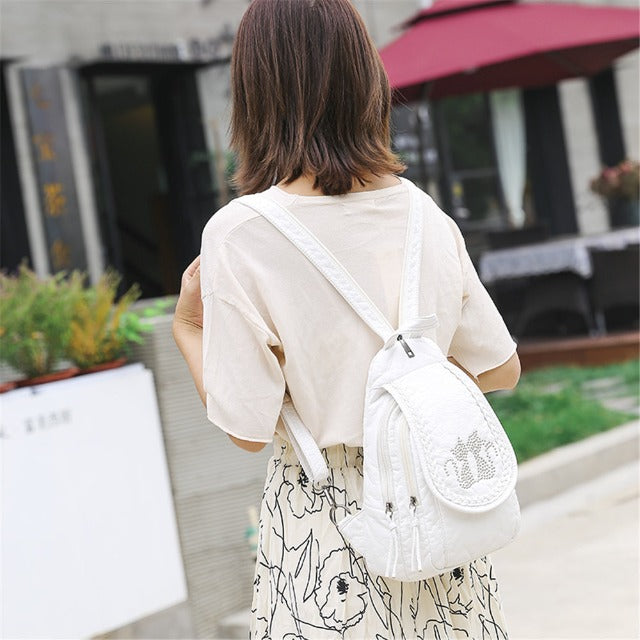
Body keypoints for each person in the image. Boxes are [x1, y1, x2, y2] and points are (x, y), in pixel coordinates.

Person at [172, 0, 521, 637]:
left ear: (255, 92)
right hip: (440, 521)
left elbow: (247, 427)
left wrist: (189, 333)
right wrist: (410, 387)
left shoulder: (241, 234)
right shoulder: (422, 214)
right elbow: (501, 369)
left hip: (328, 536)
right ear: (365, 80)